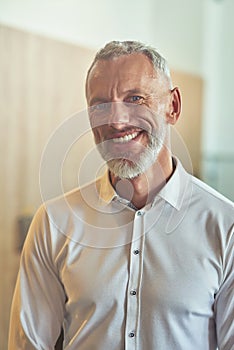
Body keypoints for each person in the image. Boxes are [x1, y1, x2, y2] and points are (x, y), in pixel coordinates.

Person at [8, 41, 234, 350]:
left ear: (173, 107)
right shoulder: (53, 223)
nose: (115, 121)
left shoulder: (226, 227)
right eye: (100, 105)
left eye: (135, 99)